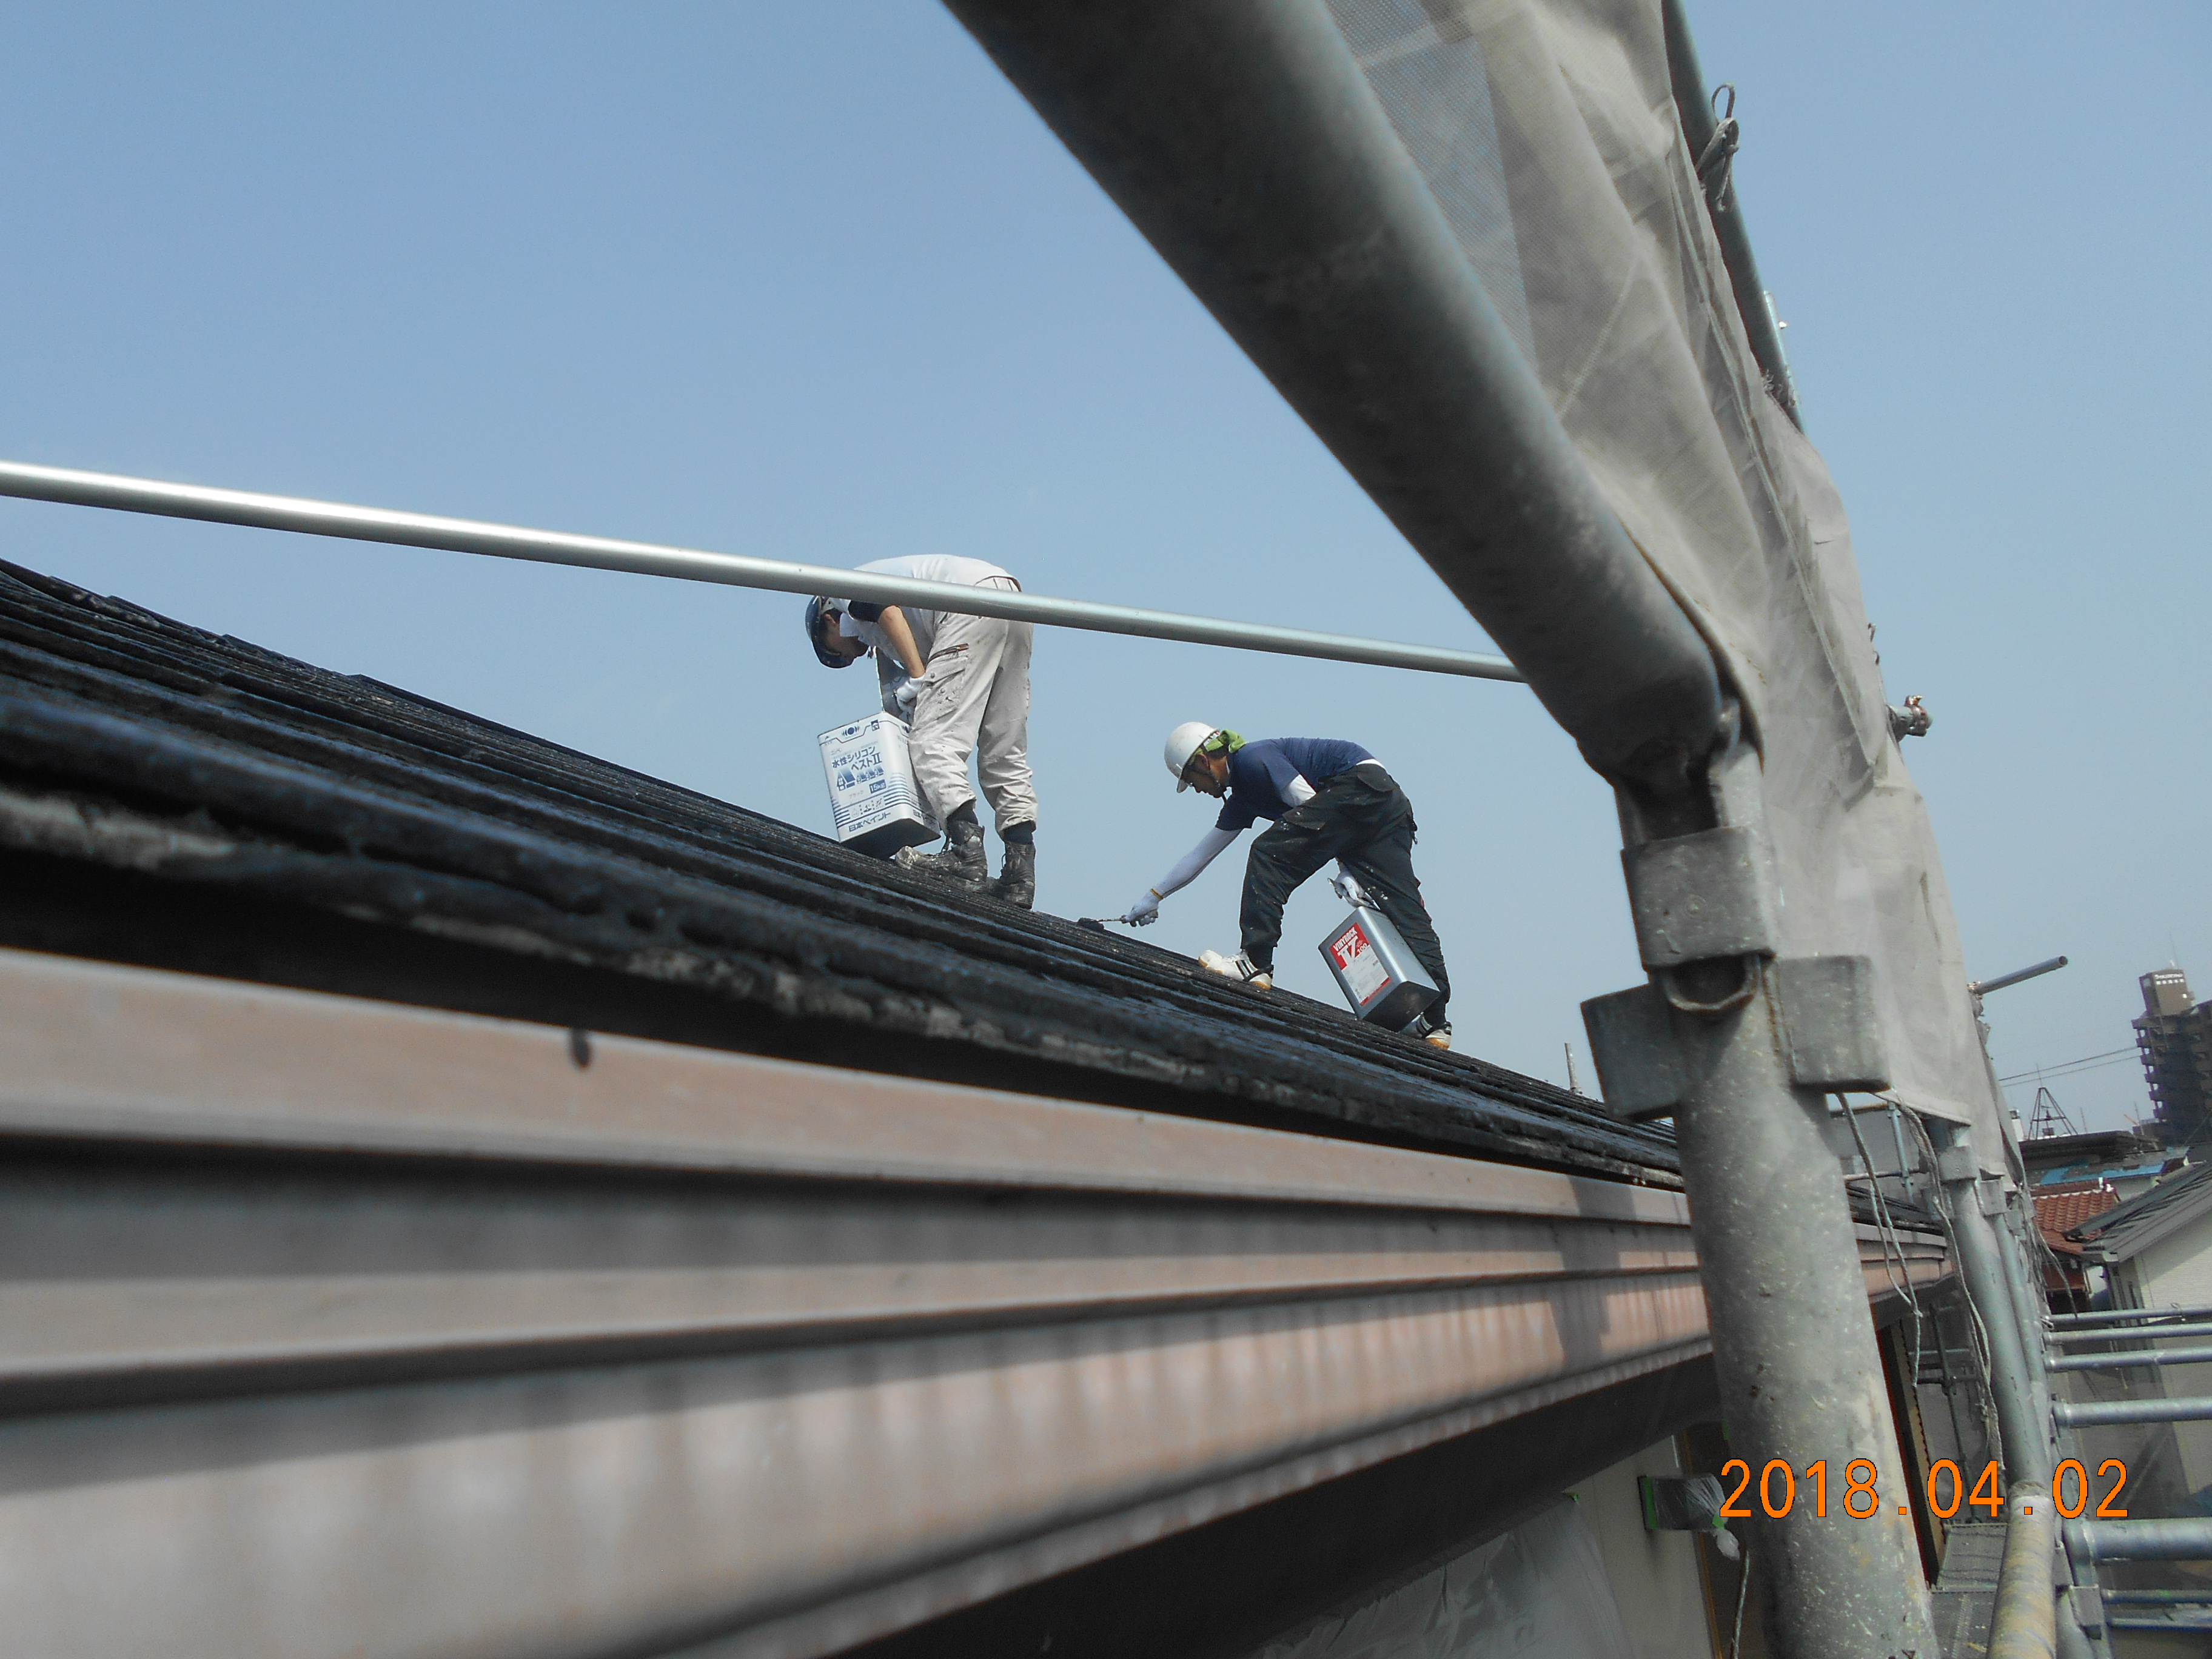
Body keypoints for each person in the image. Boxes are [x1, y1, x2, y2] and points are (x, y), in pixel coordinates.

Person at [1121, 723, 1452, 1048]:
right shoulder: (1242, 799)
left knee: (1269, 854)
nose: (1195, 789)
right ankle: (1435, 1022)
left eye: (1191, 780)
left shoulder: (1253, 759)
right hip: (1385, 801)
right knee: (1403, 909)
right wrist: (1154, 896)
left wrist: (1345, 865)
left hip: (1355, 786)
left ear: (1203, 762)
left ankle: (1254, 962)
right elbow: (1201, 855)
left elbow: (1307, 802)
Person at [803, 555, 1037, 907]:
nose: (851, 658)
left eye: (837, 653)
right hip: (1009, 599)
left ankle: (966, 857)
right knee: (1003, 751)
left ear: (827, 621)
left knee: (931, 743)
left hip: (965, 604)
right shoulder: (885, 622)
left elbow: (887, 611)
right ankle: (1020, 875)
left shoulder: (840, 589)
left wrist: (918, 677)